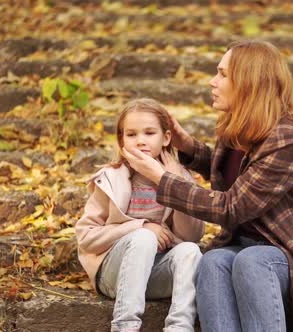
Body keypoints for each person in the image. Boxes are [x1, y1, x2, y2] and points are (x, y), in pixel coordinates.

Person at [122, 41, 293, 331]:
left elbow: (232, 207)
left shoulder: (286, 138)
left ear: (248, 82)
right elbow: (236, 175)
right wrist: (186, 146)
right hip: (243, 244)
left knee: (253, 261)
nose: (212, 82)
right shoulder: (239, 126)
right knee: (213, 261)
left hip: (290, 253)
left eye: (222, 74)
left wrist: (161, 178)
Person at [75, 98, 205, 332]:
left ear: (166, 138)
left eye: (149, 133)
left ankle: (179, 327)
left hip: (156, 275)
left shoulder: (181, 177)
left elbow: (191, 236)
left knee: (191, 251)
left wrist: (174, 182)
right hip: (113, 275)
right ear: (121, 139)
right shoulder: (110, 178)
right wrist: (141, 226)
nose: (141, 141)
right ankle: (125, 325)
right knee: (144, 237)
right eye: (132, 134)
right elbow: (86, 238)